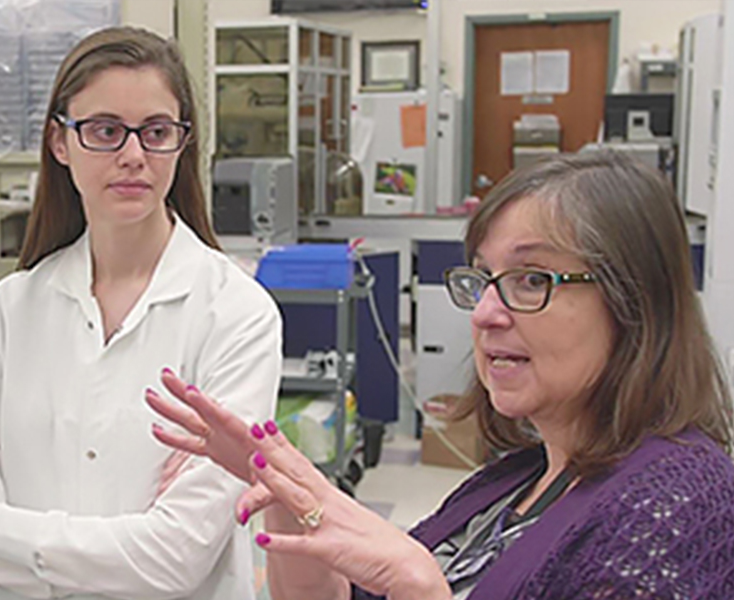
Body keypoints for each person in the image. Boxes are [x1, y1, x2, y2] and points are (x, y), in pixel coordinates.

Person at [147, 152, 734, 599]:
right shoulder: (514, 482)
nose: (484, 313)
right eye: (483, 279)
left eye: (532, 279)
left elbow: (416, 584)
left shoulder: (676, 503)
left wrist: (423, 589)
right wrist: (291, 496)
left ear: (635, 301)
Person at [0, 26, 282, 600]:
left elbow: (176, 560)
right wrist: (120, 549)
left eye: (156, 132)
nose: (134, 155)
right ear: (60, 143)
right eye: (105, 131)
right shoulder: (9, 313)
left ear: (181, 143)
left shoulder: (236, 314)